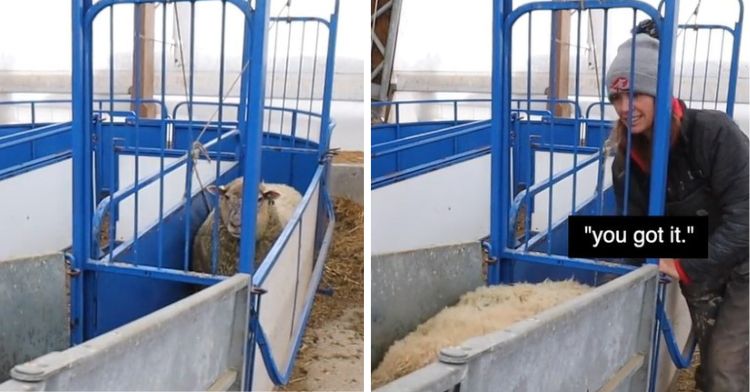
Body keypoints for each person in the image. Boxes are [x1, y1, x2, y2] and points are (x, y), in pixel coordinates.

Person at [606, 31, 749, 391]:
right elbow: (636, 231)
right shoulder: (625, 162)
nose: (624, 107)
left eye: (635, 93)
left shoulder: (714, 133)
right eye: (616, 97)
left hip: (744, 262)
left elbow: (746, 216)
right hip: (700, 272)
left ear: (661, 91)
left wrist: (682, 264)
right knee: (715, 358)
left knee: (724, 368)